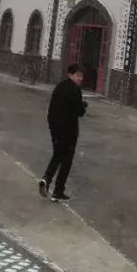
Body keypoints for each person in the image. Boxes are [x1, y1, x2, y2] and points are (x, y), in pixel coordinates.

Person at [39, 64, 87, 203]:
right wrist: (83, 105)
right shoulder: (75, 90)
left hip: (55, 128)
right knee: (67, 160)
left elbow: (53, 108)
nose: (80, 79)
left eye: (81, 76)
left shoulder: (59, 87)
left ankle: (48, 181)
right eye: (78, 75)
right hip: (69, 130)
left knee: (58, 155)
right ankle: (57, 190)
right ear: (70, 74)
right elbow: (79, 111)